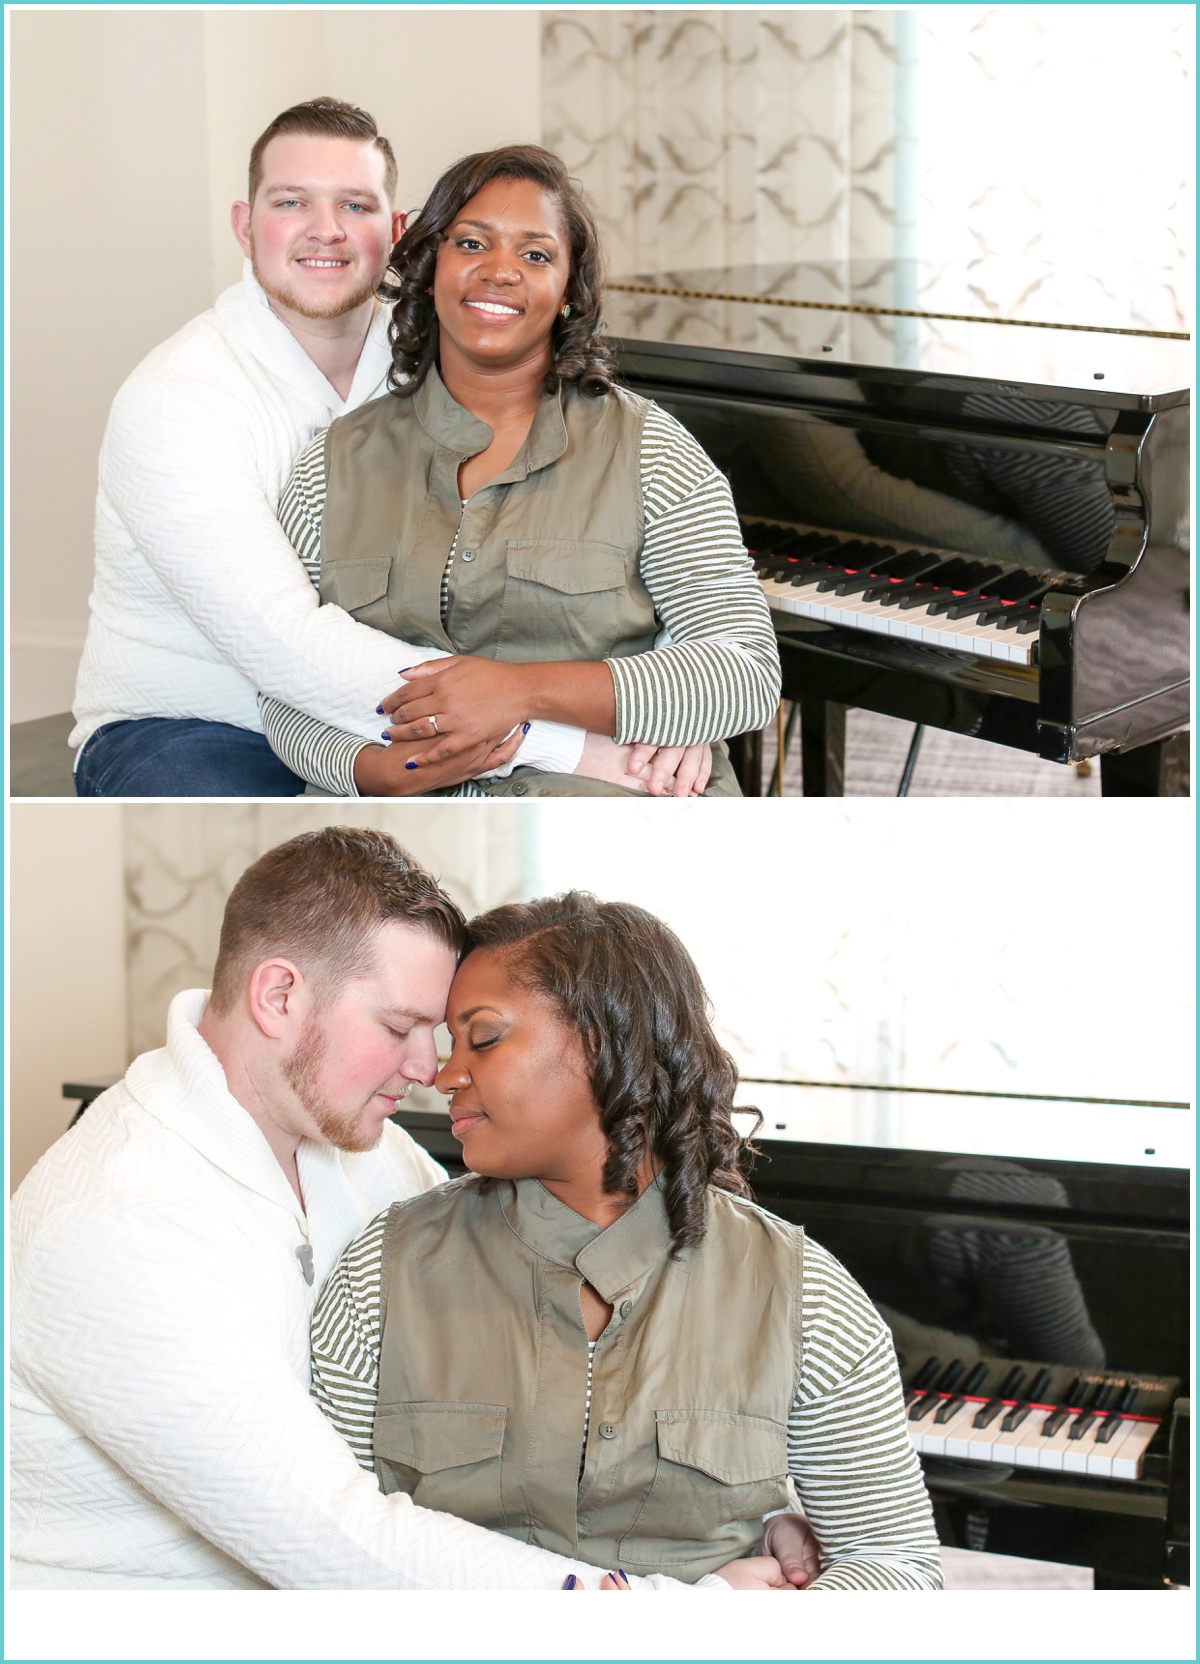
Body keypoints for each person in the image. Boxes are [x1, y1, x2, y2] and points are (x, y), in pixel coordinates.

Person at [9, 828, 806, 1590]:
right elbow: (336, 1541)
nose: (431, 1068)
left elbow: (512, 1302)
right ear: (279, 995)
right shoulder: (116, 1221)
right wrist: (688, 1610)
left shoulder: (363, 1145)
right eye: (401, 1027)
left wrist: (738, 1504)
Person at [311, 893, 944, 1588]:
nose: (444, 1074)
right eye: (447, 1044)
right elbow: (323, 1546)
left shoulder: (805, 1296)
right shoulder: (382, 1272)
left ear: (602, 1042)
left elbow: (897, 1565)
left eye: (482, 1038)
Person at [69, 100, 674, 799]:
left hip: (414, 712)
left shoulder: (444, 357)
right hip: (198, 724)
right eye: (291, 201)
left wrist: (659, 712)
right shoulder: (175, 399)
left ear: (395, 231)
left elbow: (617, 547)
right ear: (245, 226)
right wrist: (563, 739)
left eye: (354, 205)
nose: (325, 231)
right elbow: (282, 644)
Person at [258, 144, 781, 799]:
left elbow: (745, 673)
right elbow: (286, 687)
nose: (501, 271)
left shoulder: (653, 451)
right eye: (472, 243)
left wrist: (520, 692)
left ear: (567, 292)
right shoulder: (327, 470)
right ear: (428, 270)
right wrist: (377, 773)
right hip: (394, 813)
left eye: (535, 255)